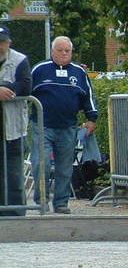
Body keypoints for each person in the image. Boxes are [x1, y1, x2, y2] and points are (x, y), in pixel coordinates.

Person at [30, 36, 97, 214]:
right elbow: (25, 92)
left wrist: (92, 118)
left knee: (65, 168)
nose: (64, 54)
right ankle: (41, 202)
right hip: (42, 126)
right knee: (41, 164)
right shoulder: (39, 69)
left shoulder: (79, 72)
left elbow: (89, 96)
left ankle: (61, 203)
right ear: (52, 51)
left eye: (67, 51)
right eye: (60, 50)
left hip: (68, 127)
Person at [0, 27, 31, 216]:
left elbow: (25, 86)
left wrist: (6, 89)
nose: (0, 46)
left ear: (9, 42)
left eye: (2, 42)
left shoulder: (20, 60)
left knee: (14, 174)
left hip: (13, 130)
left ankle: (16, 214)